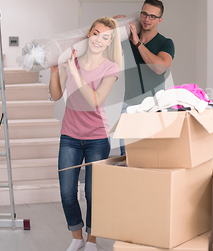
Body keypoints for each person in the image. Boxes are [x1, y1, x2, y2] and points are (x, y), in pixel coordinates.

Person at [49, 17, 122, 251]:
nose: (99, 39)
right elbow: (55, 95)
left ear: (109, 42)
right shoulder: (73, 61)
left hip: (97, 138)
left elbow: (95, 100)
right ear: (89, 34)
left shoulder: (111, 68)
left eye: (105, 37)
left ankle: (92, 240)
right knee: (67, 191)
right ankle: (77, 238)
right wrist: (54, 71)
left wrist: (73, 71)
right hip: (69, 136)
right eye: (96, 33)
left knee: (93, 193)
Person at [117, 0, 175, 155]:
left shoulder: (165, 43)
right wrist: (115, 22)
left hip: (154, 109)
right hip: (129, 107)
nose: (147, 19)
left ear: (159, 20)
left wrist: (138, 44)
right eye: (144, 14)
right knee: (127, 157)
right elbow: (104, 36)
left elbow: (159, 67)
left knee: (153, 157)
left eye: (152, 16)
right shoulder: (127, 41)